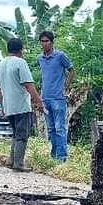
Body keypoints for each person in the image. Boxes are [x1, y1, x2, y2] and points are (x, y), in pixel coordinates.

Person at [0, 37, 43, 172]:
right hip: (21, 105)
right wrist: (38, 101)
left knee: (16, 134)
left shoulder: (1, 64)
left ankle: (11, 160)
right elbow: (28, 84)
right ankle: (18, 163)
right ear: (21, 50)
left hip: (9, 105)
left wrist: (3, 107)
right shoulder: (20, 63)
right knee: (22, 135)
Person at [37, 30, 74, 162]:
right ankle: (54, 155)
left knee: (60, 128)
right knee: (51, 129)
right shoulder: (39, 58)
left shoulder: (60, 56)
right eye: (42, 41)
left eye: (47, 41)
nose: (44, 44)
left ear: (52, 42)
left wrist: (65, 87)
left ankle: (62, 157)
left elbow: (71, 70)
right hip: (45, 98)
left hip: (58, 98)